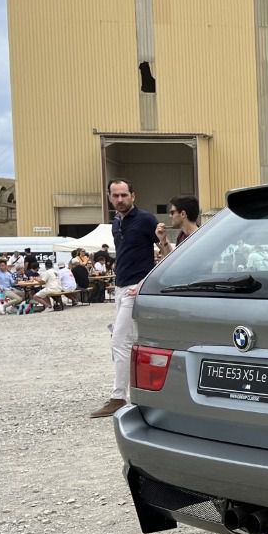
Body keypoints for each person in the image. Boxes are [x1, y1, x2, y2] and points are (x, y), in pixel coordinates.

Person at [92, 178, 163, 418]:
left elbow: (166, 253)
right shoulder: (115, 223)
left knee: (119, 341)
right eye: (116, 196)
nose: (120, 200)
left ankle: (118, 397)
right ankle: (140, 393)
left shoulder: (145, 220)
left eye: (124, 195)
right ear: (110, 197)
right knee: (130, 342)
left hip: (135, 287)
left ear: (133, 195)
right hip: (121, 287)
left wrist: (145, 283)